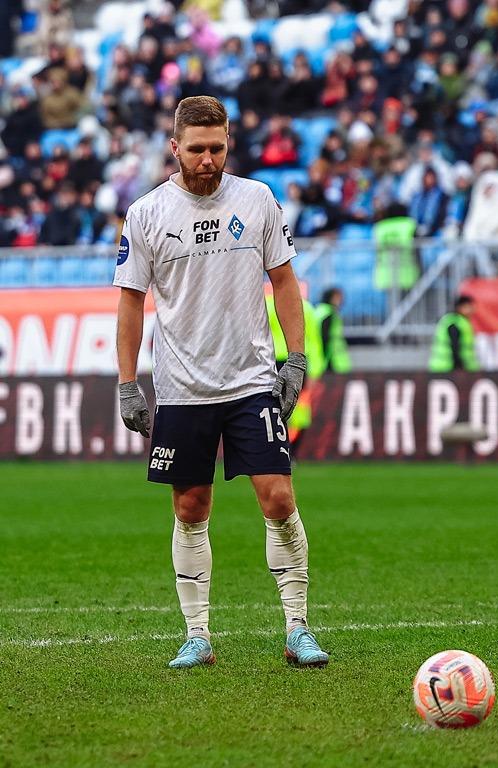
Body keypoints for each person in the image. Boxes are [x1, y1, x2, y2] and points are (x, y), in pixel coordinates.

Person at [114, 95, 329, 668]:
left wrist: (296, 359)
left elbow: (284, 282)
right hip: (183, 386)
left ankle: (298, 627)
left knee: (278, 497)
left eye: (217, 148)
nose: (207, 160)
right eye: (196, 149)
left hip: (251, 379)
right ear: (174, 147)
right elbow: (131, 303)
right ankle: (197, 634)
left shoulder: (257, 200)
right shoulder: (147, 214)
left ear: (228, 142)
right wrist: (128, 382)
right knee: (190, 506)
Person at [266, 292, 327, 449]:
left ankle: (278, 447)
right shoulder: (305, 307)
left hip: (270, 362)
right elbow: (314, 342)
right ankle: (290, 449)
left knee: (272, 407)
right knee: (298, 408)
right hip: (297, 361)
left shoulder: (264, 304)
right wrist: (315, 371)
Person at [429, 295, 479, 372]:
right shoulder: (455, 322)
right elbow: (455, 346)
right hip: (447, 368)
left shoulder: (455, 320)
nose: (472, 310)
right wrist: (459, 367)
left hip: (443, 368)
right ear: (460, 307)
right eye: (469, 307)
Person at [315, 287, 352, 374]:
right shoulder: (329, 313)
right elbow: (324, 337)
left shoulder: (319, 311)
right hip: (332, 361)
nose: (342, 300)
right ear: (332, 297)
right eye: (339, 297)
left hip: (322, 361)